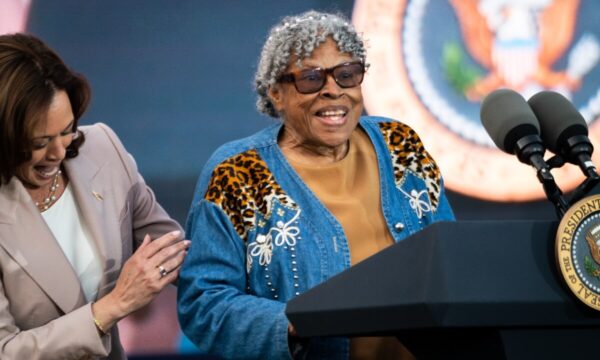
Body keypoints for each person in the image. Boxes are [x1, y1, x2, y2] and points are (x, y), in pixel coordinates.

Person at [178, 10, 454, 359]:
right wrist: (294, 322)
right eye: (311, 78)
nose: (333, 91)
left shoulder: (400, 143)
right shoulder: (236, 173)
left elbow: (449, 256)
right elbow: (204, 304)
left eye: (347, 74)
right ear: (276, 92)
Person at [0, 33, 190, 359]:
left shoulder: (101, 147)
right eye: (39, 141)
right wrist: (112, 307)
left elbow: (173, 254)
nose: (59, 152)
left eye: (67, 130)